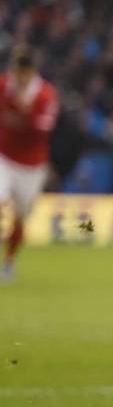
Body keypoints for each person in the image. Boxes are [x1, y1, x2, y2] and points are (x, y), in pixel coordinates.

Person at [0, 47, 59, 281]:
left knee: (21, 216)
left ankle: (9, 262)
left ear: (33, 73)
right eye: (17, 73)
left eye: (25, 74)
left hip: (32, 166)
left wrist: (26, 111)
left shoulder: (45, 95)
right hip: (4, 157)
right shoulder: (4, 86)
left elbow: (43, 132)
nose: (20, 78)